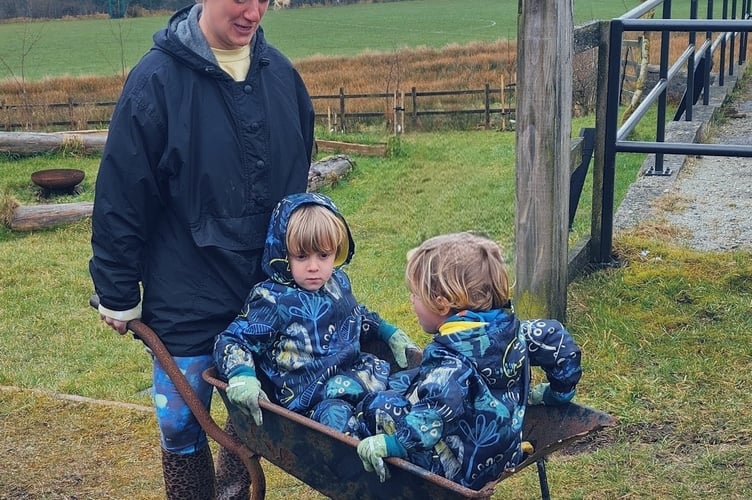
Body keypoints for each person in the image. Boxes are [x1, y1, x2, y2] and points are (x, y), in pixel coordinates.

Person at [88, 0, 315, 498]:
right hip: (184, 294)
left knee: (248, 417)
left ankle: (235, 491)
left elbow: (298, 186)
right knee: (180, 424)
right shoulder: (157, 82)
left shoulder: (282, 78)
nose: (254, 11)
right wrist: (118, 291)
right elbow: (122, 196)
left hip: (263, 297)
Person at [355, 232, 583, 490]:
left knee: (380, 402)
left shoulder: (452, 359)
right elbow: (556, 340)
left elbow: (436, 412)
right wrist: (558, 393)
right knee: (409, 380)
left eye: (415, 295)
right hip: (504, 453)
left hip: (459, 470)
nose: (411, 300)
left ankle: (360, 434)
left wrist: (394, 444)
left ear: (441, 305)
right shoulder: (515, 330)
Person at [213, 192, 415, 434]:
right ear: (283, 254)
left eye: (323, 255)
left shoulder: (337, 282)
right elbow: (233, 339)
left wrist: (386, 331)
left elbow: (355, 315)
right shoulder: (271, 299)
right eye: (301, 256)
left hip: (361, 376)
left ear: (337, 251)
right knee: (339, 423)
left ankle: (399, 438)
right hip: (316, 400)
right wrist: (242, 374)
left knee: (405, 391)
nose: (313, 267)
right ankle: (365, 450)